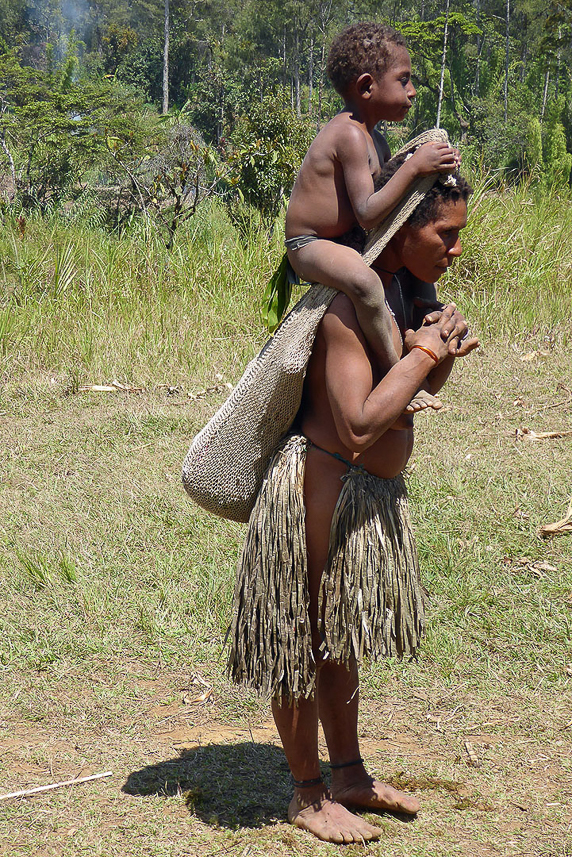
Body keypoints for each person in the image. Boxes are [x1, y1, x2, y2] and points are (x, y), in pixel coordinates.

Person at [229, 160, 479, 843]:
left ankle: (349, 775)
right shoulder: (347, 308)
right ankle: (308, 795)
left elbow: (408, 397)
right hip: (318, 489)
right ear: (402, 229)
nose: (457, 250)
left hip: (360, 494)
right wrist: (423, 356)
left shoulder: (399, 293)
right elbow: (362, 423)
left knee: (338, 637)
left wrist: (440, 350)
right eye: (446, 236)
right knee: (299, 637)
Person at [284, 21, 458, 410]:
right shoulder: (347, 134)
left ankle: (421, 334)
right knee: (364, 282)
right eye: (404, 80)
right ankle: (397, 371)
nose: (412, 91)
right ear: (367, 87)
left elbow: (386, 194)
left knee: (409, 273)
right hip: (310, 244)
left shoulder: (375, 137)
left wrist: (429, 165)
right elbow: (366, 212)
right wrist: (414, 168)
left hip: (343, 240)